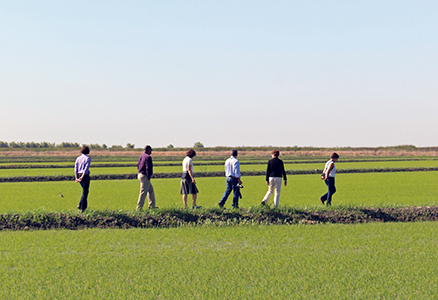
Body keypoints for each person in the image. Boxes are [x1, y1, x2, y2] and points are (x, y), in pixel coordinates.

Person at [137, 145, 157, 210]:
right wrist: (149, 176)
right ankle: (139, 208)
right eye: (151, 150)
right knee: (143, 192)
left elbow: (138, 165)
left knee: (150, 190)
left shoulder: (141, 156)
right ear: (148, 150)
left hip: (140, 174)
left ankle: (152, 206)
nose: (151, 152)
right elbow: (148, 167)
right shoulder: (148, 157)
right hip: (145, 176)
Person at [74, 146, 91, 213]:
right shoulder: (88, 159)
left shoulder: (78, 158)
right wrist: (82, 177)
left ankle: (82, 206)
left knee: (85, 191)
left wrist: (76, 177)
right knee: (85, 191)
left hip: (79, 174)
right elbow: (86, 169)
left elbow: (76, 168)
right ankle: (81, 206)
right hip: (85, 176)